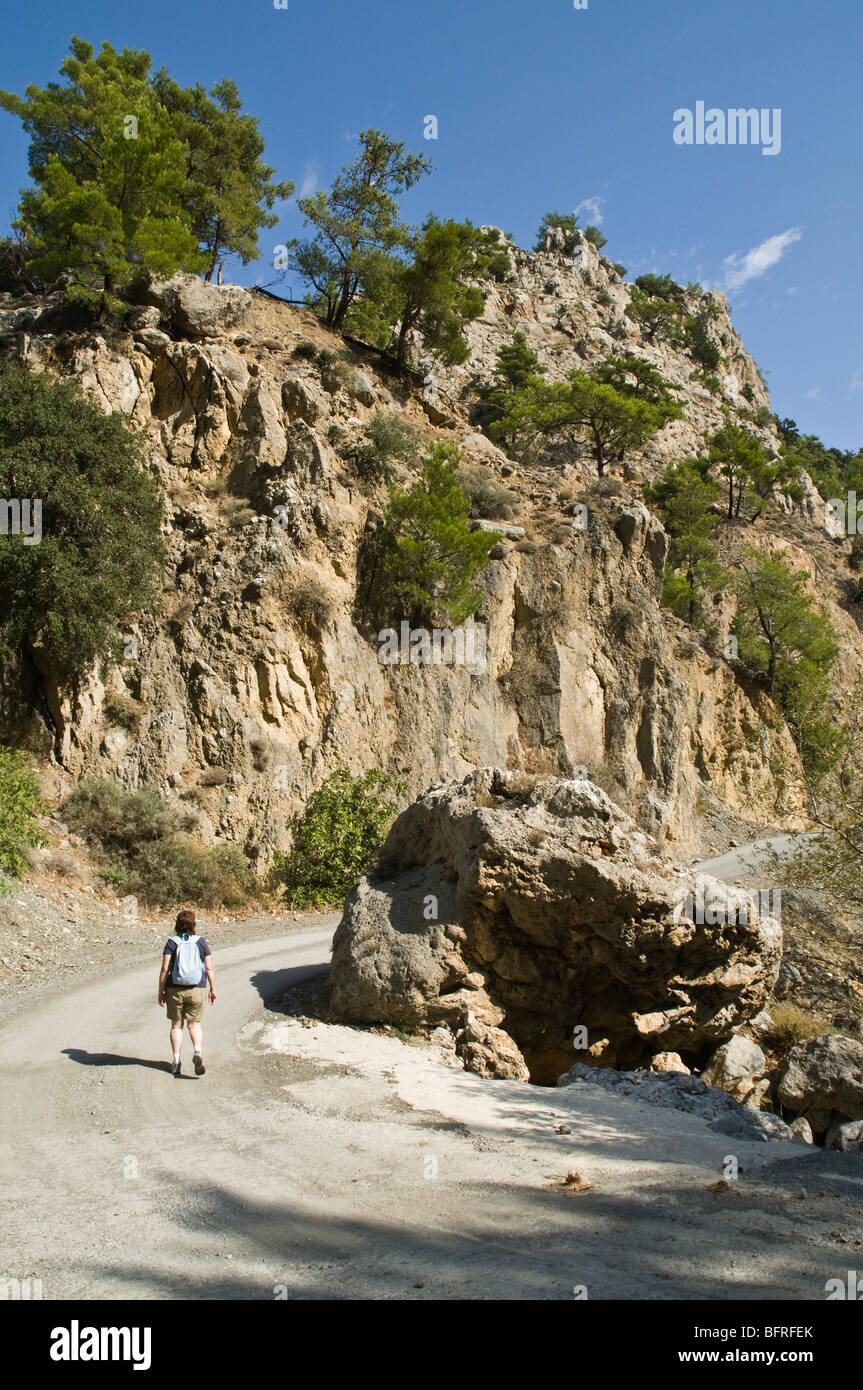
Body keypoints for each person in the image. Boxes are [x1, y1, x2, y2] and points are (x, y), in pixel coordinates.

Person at [158, 908, 216, 1077]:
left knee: (176, 1025)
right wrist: (213, 988)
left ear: (177, 924)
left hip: (174, 988)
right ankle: (197, 1051)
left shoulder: (172, 942)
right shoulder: (201, 942)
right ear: (193, 924)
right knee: (194, 1024)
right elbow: (209, 968)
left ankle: (176, 1061)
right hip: (197, 988)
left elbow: (164, 969)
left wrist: (160, 991)